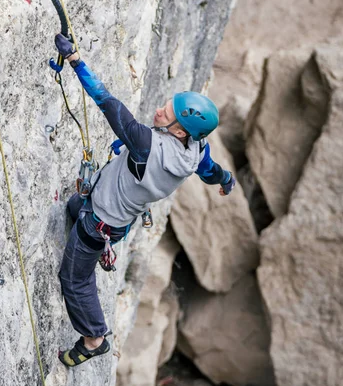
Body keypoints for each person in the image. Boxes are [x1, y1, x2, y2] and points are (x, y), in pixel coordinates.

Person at [55, 33, 236, 367]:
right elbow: (210, 172)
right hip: (119, 219)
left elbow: (105, 101)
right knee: (73, 208)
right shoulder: (196, 151)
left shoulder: (145, 144)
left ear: (180, 131)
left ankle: (94, 338)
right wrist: (226, 180)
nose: (158, 110)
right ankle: (78, 217)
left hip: (99, 224)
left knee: (74, 279)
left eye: (166, 113)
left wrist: (76, 61)